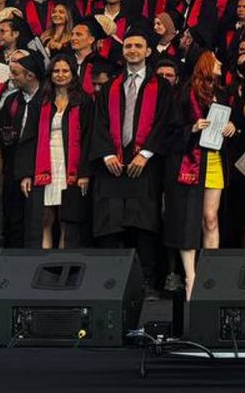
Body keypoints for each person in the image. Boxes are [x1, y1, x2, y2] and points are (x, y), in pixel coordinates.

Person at [90, 25, 170, 291]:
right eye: (128, 46)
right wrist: (108, 153)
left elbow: (163, 124)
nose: (132, 50)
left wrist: (146, 153)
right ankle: (110, 281)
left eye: (138, 46)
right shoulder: (111, 85)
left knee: (143, 224)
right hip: (113, 165)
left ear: (148, 51)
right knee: (111, 223)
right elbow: (99, 123)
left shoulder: (162, 87)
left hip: (144, 166)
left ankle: (145, 280)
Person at [161, 52, 236, 296]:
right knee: (187, 219)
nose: (221, 64)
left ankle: (210, 272)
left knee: (210, 217)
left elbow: (233, 123)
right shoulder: (184, 94)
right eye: (217, 60)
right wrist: (192, 127)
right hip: (189, 162)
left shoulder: (223, 94)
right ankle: (191, 277)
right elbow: (169, 132)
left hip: (214, 159)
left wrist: (232, 127)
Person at [16, 51, 91, 250]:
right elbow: (28, 138)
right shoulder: (40, 102)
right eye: (56, 71)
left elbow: (89, 139)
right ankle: (44, 264)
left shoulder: (83, 102)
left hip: (70, 164)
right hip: (44, 162)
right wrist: (25, 174)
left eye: (65, 70)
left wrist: (84, 173)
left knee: (68, 218)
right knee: (44, 216)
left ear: (73, 74)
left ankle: (64, 263)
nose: (60, 74)